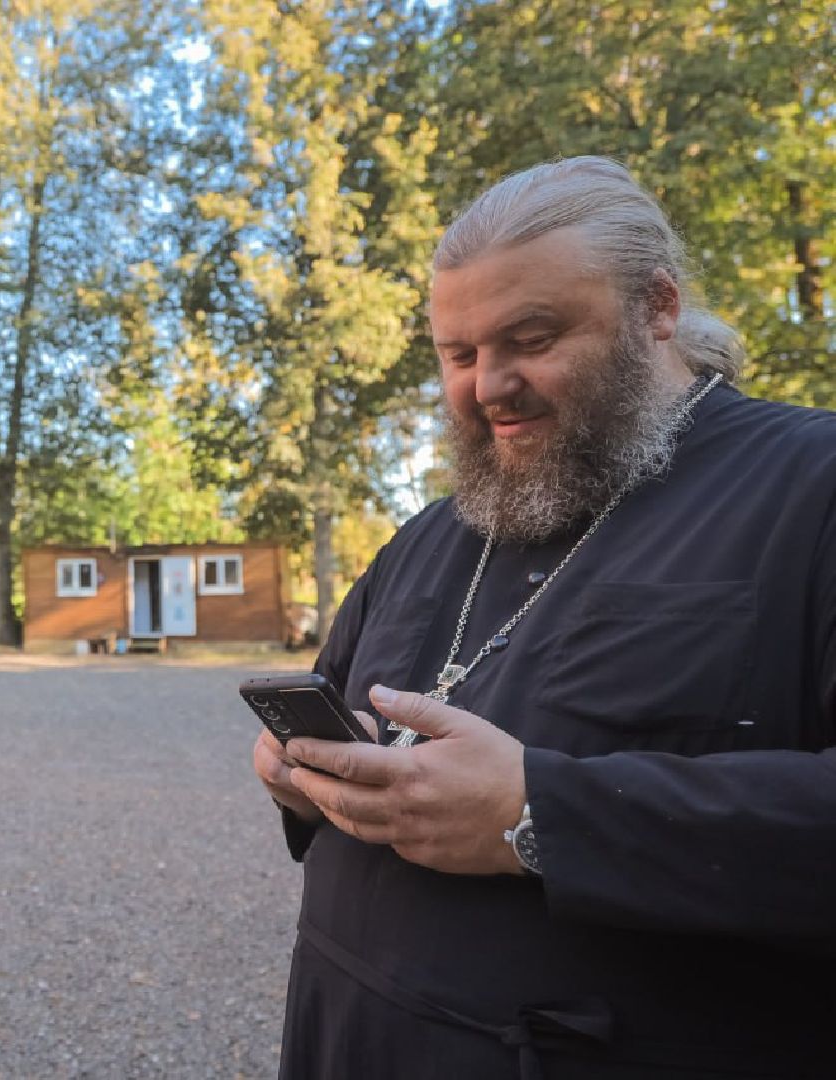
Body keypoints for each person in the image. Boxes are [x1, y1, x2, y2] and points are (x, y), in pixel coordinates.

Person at [253, 156, 836, 1078]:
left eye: (529, 338)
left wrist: (543, 817)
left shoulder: (811, 485)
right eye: (457, 355)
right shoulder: (429, 530)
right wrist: (307, 776)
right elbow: (340, 705)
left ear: (655, 307)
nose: (487, 386)